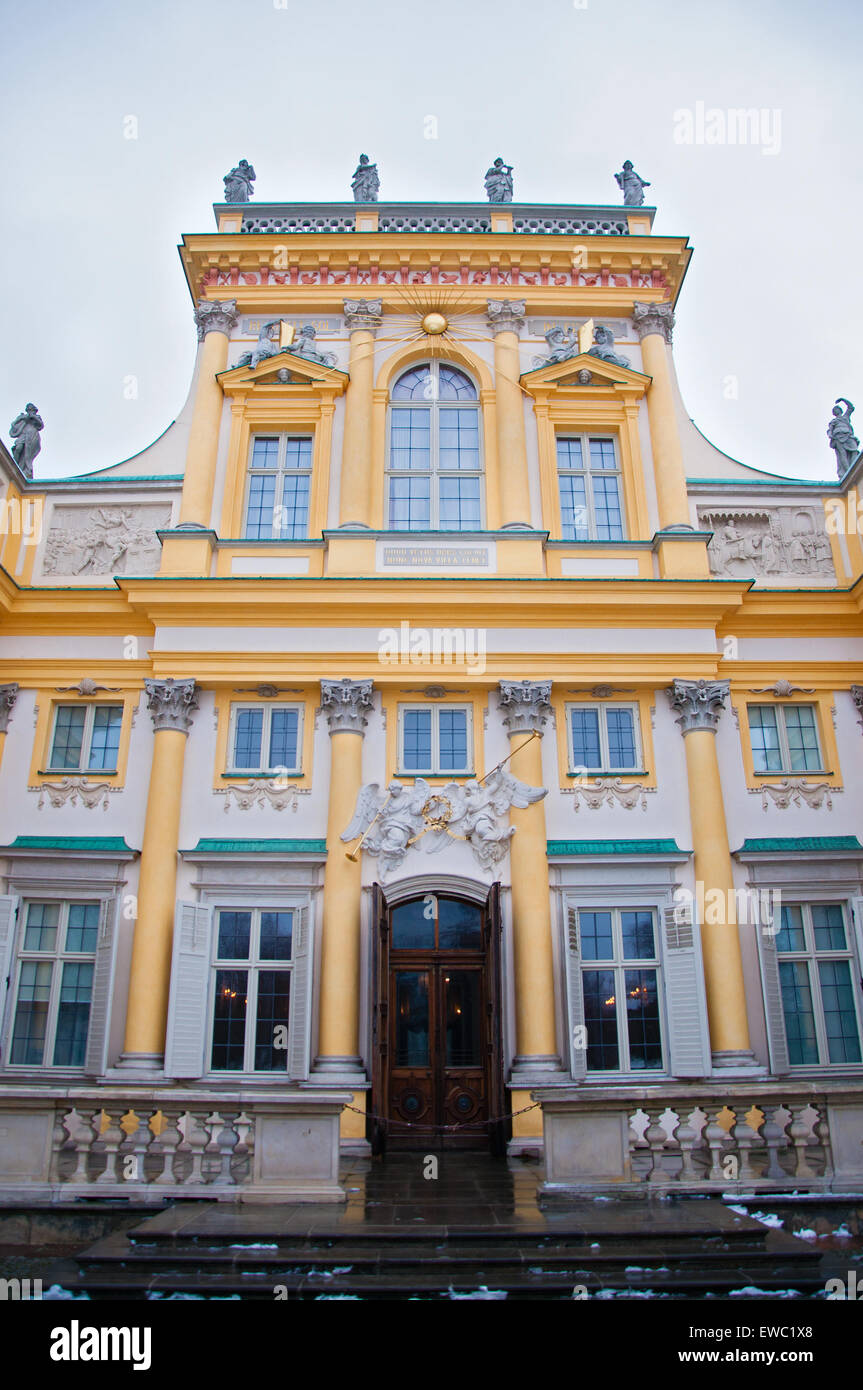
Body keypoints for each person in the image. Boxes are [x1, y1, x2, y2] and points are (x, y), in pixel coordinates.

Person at [9, 403, 43, 477]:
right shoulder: (22, 416)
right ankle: (14, 464)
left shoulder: (37, 417)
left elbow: (41, 425)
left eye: (31, 408)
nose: (30, 410)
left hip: (32, 435)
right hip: (23, 434)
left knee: (28, 453)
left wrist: (33, 417)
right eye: (28, 408)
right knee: (18, 448)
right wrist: (22, 418)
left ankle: (25, 469)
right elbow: (14, 424)